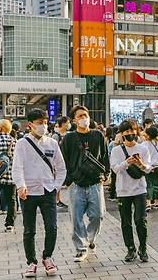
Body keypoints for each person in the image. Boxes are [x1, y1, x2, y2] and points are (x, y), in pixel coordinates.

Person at [12, 109, 66, 278]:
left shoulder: (52, 143)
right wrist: (20, 186)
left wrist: (56, 186)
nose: (43, 125)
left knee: (52, 227)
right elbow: (17, 167)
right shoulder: (22, 143)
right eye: (39, 122)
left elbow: (61, 168)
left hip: (48, 191)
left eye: (45, 122)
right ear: (30, 125)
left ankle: (47, 257)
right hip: (27, 192)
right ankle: (31, 262)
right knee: (29, 230)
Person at [60, 105, 109, 263]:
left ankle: (89, 238)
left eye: (85, 115)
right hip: (76, 185)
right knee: (76, 218)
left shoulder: (98, 135)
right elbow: (63, 161)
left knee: (98, 215)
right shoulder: (69, 138)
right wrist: (68, 181)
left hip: (95, 183)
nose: (84, 118)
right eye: (80, 116)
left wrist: (105, 175)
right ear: (74, 120)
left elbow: (105, 156)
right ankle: (81, 249)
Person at [109, 120, 151, 263]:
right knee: (126, 222)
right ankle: (130, 249)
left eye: (132, 131)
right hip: (123, 191)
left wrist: (141, 163)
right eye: (126, 132)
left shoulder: (143, 148)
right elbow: (115, 169)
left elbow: (148, 169)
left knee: (141, 220)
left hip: (140, 190)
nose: (130, 134)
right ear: (121, 134)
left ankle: (143, 248)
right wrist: (127, 162)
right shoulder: (116, 150)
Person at [0, 119, 16, 232]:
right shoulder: (14, 141)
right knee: (11, 200)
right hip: (10, 177)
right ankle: (9, 224)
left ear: (0, 128)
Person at [144, 126, 158, 211]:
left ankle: (148, 203)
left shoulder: (144, 144)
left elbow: (143, 156)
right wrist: (155, 165)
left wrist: (149, 165)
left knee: (148, 185)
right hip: (157, 167)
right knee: (156, 184)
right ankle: (156, 203)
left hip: (147, 167)